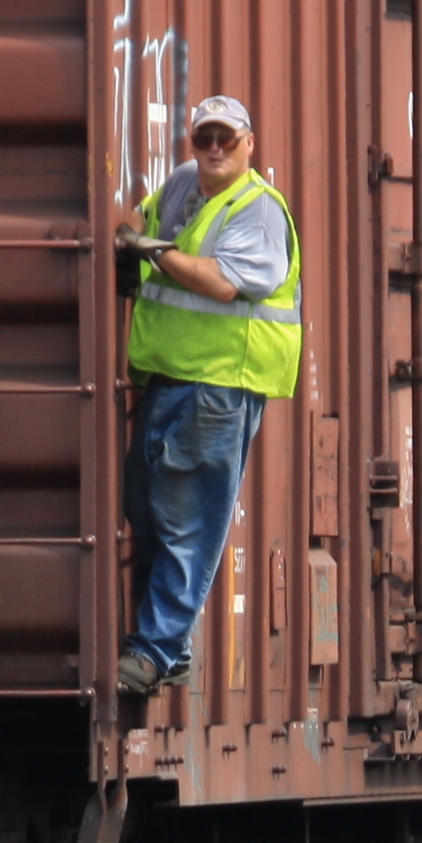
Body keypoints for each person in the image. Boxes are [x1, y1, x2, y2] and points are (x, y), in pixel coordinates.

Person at [114, 93, 303, 695]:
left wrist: (157, 253)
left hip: (223, 384)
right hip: (169, 376)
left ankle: (153, 649)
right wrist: (130, 237)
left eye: (227, 138)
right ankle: (168, 650)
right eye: (204, 139)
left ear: (250, 144)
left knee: (187, 521)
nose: (215, 149)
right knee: (145, 508)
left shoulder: (259, 209)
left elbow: (223, 283)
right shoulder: (181, 186)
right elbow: (138, 220)